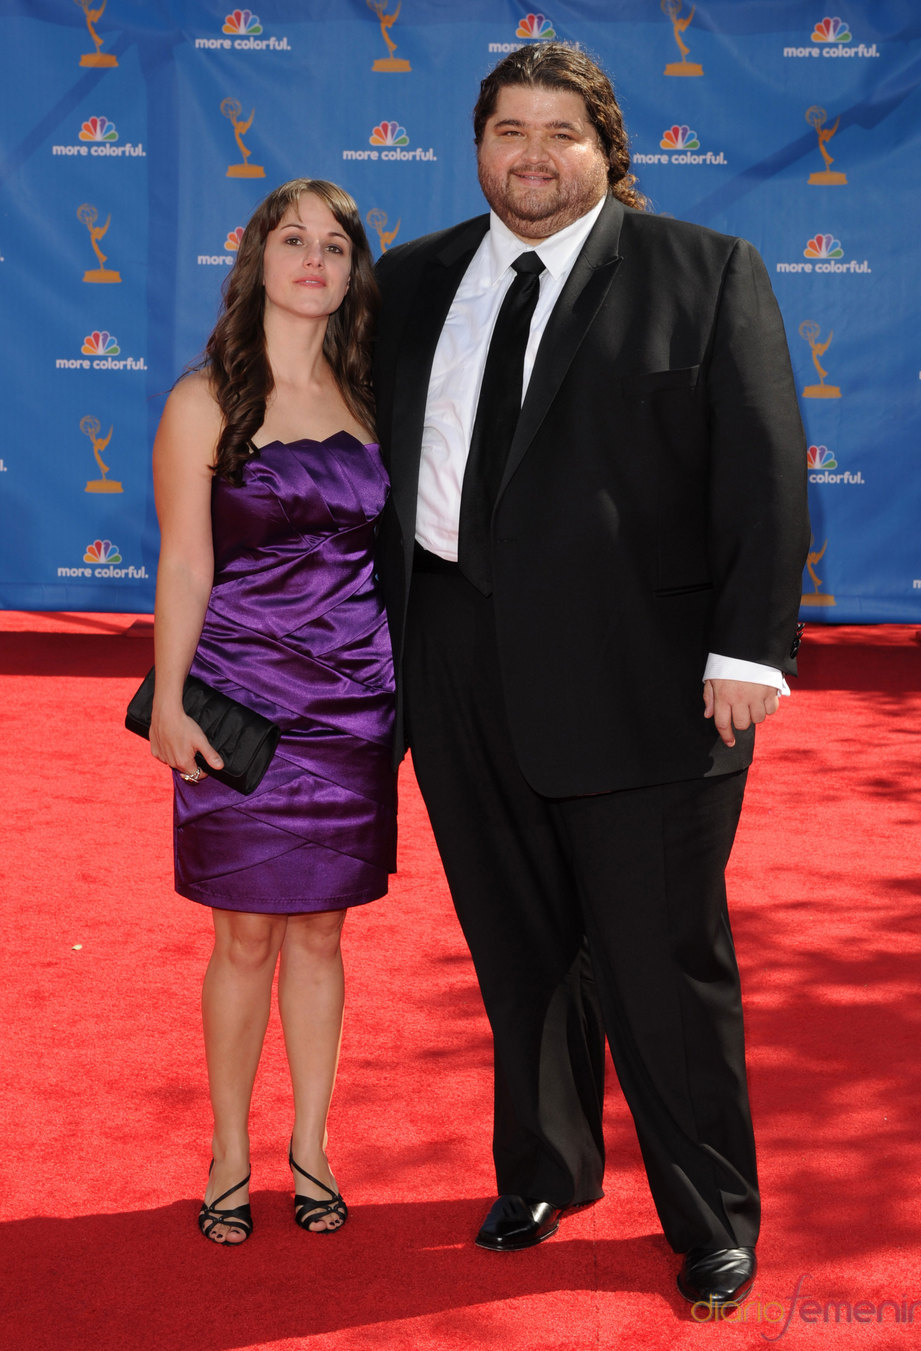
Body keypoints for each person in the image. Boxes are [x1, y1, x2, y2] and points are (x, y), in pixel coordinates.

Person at [373, 44, 808, 1307]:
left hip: (645, 672)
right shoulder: (411, 281)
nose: (530, 154)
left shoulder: (700, 270)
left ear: (605, 149)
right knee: (517, 945)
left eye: (559, 132)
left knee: (657, 958)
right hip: (453, 653)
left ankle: (709, 1214)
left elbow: (765, 473)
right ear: (475, 147)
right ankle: (546, 1168)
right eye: (506, 129)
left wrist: (746, 650)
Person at [150, 178, 395, 1245]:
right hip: (242, 701)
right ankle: (229, 1153)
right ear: (255, 258)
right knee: (243, 934)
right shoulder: (204, 400)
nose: (313, 261)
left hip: (352, 703)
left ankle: (312, 1148)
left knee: (323, 935)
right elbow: (185, 564)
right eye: (292, 241)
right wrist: (166, 700)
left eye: (334, 246)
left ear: (351, 272)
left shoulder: (372, 396)